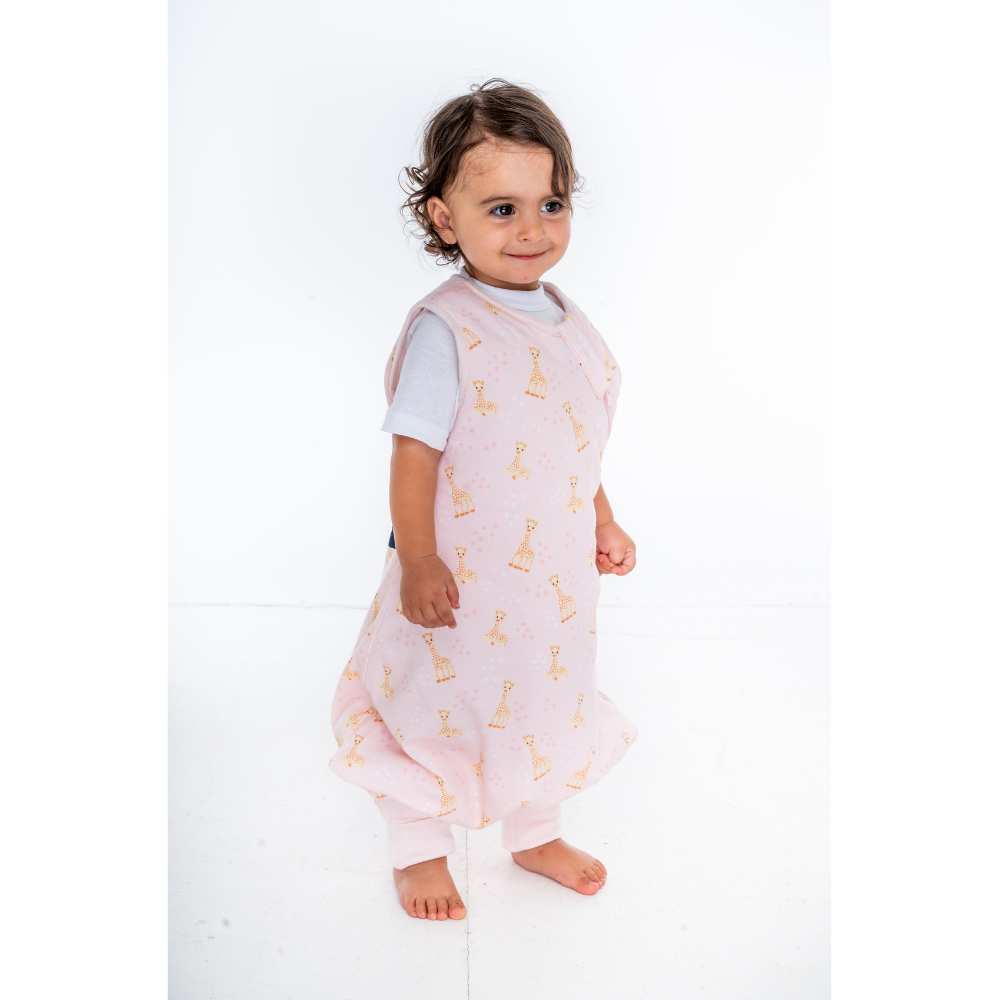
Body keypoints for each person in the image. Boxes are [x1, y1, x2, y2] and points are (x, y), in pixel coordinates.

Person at [328, 78, 638, 921]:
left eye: (551, 204)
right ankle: (419, 850)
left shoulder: (564, 318)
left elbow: (571, 437)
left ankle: (534, 832)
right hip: (460, 579)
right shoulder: (449, 328)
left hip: (544, 589)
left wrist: (602, 516)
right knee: (434, 707)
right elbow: (415, 453)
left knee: (542, 703)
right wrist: (419, 559)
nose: (532, 230)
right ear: (443, 218)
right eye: (502, 209)